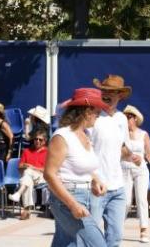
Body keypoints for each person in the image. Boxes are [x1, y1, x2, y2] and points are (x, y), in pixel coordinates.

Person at [44, 88, 109, 247]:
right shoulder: (62, 136)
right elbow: (49, 174)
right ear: (86, 111)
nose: (98, 115)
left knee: (67, 243)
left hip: (85, 196)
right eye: (97, 112)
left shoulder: (86, 134)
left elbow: (82, 166)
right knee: (98, 244)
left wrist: (95, 179)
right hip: (67, 198)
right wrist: (72, 204)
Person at [90, 74, 140, 247]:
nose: (108, 95)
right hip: (95, 187)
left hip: (117, 187)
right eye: (105, 91)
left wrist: (132, 156)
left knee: (116, 237)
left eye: (113, 92)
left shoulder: (121, 119)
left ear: (120, 95)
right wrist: (92, 178)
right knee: (92, 237)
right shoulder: (92, 117)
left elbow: (122, 148)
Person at [122, 105, 150, 243]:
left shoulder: (143, 134)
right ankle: (118, 228)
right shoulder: (121, 133)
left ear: (135, 118)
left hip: (141, 170)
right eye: (125, 116)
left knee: (141, 200)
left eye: (129, 116)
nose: (126, 119)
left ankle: (144, 230)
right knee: (125, 201)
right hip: (124, 169)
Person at [8, 129, 48, 219]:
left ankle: (20, 197)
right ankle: (26, 211)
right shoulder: (27, 151)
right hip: (28, 177)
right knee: (27, 178)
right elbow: (20, 167)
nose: (37, 141)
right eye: (36, 139)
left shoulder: (48, 152)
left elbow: (47, 170)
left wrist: (32, 168)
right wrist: (25, 165)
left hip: (42, 177)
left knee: (28, 173)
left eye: (40, 140)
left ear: (44, 141)